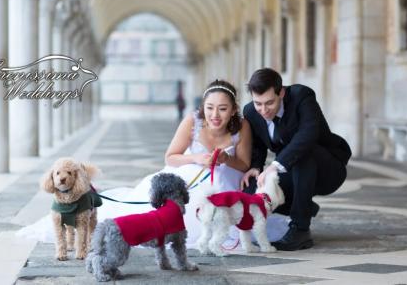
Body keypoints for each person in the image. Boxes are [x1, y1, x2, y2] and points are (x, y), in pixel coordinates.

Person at [17, 79, 289, 247]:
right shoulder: (191, 122)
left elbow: (243, 165)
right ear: (203, 107)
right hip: (184, 178)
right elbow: (170, 156)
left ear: (232, 109)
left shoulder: (242, 126)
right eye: (210, 107)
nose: (215, 115)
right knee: (152, 211)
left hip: (223, 183)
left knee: (227, 218)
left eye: (222, 108)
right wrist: (195, 158)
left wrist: (227, 158)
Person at [241, 68, 351, 251]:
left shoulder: (302, 97)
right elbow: (258, 143)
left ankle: (300, 229)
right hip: (295, 171)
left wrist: (274, 166)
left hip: (328, 168)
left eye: (269, 103)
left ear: (281, 92)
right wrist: (256, 166)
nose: (263, 110)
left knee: (302, 152)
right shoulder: (251, 112)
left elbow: (308, 135)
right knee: (254, 188)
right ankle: (303, 205)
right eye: (258, 103)